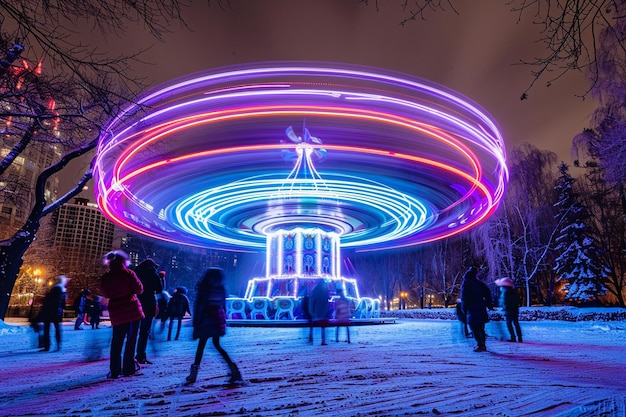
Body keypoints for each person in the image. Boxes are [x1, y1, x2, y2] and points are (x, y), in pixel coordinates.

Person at [186, 268, 242, 385]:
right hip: (217, 317)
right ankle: (233, 369)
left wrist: (196, 321)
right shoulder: (221, 287)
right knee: (216, 344)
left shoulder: (204, 287)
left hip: (206, 317)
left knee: (202, 345)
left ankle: (194, 373)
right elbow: (223, 304)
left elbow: (199, 305)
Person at [100, 250, 145, 379]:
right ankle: (128, 368)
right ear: (124, 261)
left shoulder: (106, 277)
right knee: (130, 341)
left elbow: (106, 294)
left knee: (116, 341)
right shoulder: (129, 273)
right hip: (132, 311)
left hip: (117, 312)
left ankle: (114, 370)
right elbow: (139, 289)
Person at [133, 258, 163, 365]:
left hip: (136, 303)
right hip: (149, 304)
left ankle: (129, 357)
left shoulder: (135, 273)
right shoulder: (153, 275)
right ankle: (140, 355)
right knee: (144, 332)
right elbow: (159, 289)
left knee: (133, 331)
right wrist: (162, 278)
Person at [460, 266, 493, 352]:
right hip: (481, 307)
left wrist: (464, 308)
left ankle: (480, 344)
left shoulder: (466, 283)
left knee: (473, 327)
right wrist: (489, 304)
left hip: (472, 308)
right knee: (481, 327)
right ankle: (483, 344)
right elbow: (488, 293)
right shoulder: (480, 283)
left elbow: (464, 297)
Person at [36, 275, 70, 351]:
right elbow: (63, 304)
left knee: (46, 328)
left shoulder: (55, 289)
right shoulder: (63, 291)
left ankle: (47, 346)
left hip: (50, 311)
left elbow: (50, 301)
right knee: (57, 328)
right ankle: (58, 345)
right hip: (58, 312)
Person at [495, 278, 523, 343]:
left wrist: (504, 307)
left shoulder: (505, 292)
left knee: (509, 324)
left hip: (509, 310)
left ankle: (513, 337)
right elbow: (517, 300)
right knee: (516, 323)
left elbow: (504, 301)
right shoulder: (513, 292)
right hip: (515, 309)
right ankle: (520, 338)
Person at [308, 279, 330, 346]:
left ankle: (311, 338)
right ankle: (323, 340)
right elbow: (327, 302)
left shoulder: (315, 291)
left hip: (316, 312)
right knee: (323, 327)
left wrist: (311, 311)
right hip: (323, 312)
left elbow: (312, 302)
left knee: (313, 325)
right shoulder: (325, 291)